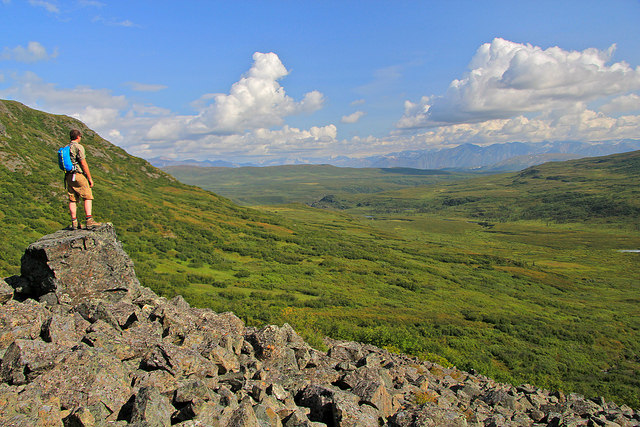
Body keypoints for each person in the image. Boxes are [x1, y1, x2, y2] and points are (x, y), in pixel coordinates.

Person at [65, 129, 101, 230]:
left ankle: (74, 222)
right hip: (78, 175)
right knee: (87, 196)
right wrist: (89, 178)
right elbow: (83, 163)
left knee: (72, 199)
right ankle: (89, 220)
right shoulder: (78, 147)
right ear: (78, 137)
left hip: (68, 176)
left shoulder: (66, 147)